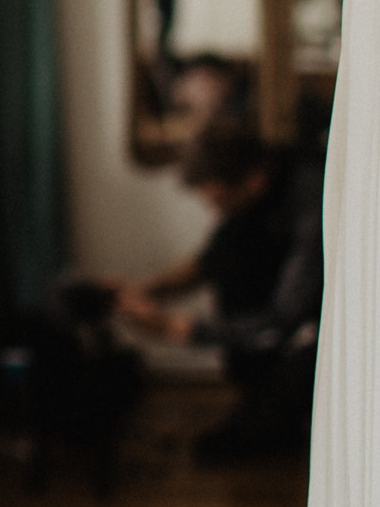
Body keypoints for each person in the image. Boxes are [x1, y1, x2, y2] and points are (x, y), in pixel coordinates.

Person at [114, 126, 322, 462]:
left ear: (253, 181)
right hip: (280, 323)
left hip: (312, 332)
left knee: (216, 452)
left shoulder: (310, 201)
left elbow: (283, 319)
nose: (216, 212)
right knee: (234, 251)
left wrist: (176, 329)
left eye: (221, 201)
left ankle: (278, 414)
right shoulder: (256, 184)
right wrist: (143, 290)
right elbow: (209, 261)